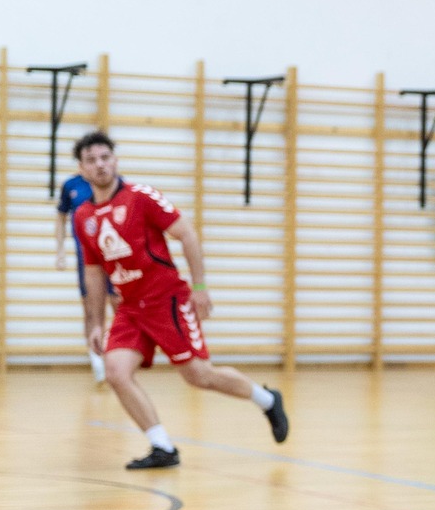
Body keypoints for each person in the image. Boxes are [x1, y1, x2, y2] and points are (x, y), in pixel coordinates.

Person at [70, 130, 289, 469]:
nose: (100, 165)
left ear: (115, 161)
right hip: (130, 308)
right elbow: (94, 273)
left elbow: (186, 233)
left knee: (198, 375)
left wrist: (199, 288)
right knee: (115, 371)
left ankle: (267, 399)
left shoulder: (141, 197)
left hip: (166, 300)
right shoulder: (84, 216)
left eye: (105, 157)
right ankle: (163, 447)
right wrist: (96, 323)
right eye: (91, 160)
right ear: (81, 169)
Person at [57, 163, 107, 383]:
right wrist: (60, 250)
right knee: (91, 309)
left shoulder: (110, 183)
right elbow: (61, 217)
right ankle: (97, 361)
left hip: (112, 255)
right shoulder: (71, 185)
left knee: (120, 306)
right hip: (86, 259)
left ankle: (117, 356)